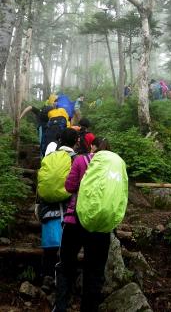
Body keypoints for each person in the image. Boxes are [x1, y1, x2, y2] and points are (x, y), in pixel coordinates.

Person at [52, 137, 111, 312]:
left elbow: (69, 187)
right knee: (94, 271)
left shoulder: (80, 160)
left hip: (75, 220)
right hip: (101, 225)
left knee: (66, 264)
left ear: (92, 147)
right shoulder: (113, 165)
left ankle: (61, 306)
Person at [37, 128, 79, 282]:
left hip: (47, 207)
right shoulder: (76, 159)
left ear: (60, 140)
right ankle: (64, 280)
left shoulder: (49, 157)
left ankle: (47, 276)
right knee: (67, 247)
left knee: (49, 245)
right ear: (76, 142)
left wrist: (38, 205)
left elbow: (41, 181)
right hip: (68, 209)